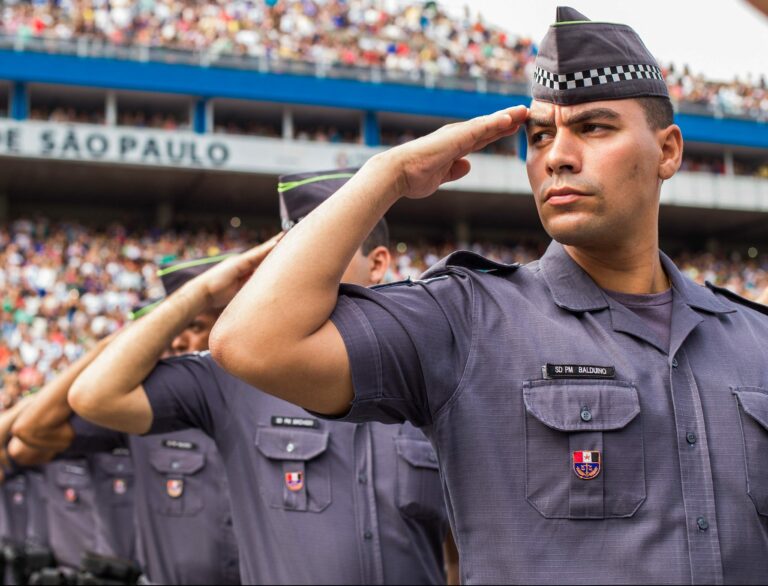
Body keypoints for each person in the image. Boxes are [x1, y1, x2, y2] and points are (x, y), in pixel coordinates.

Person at [209, 7, 768, 585]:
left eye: (594, 128)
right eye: (540, 136)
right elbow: (251, 342)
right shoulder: (468, 318)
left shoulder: (755, 340)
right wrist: (388, 174)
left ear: (667, 151)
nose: (557, 156)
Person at [69, 172, 453, 585]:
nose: (306, 268)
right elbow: (95, 396)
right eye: (293, 254)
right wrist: (201, 293)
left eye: (329, 247)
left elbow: (456, 549)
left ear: (377, 263)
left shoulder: (428, 373)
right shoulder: (234, 374)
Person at [10, 261, 242, 586]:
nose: (177, 342)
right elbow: (31, 431)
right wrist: (115, 345)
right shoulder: (143, 412)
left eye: (194, 326)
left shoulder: (269, 401)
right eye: (173, 330)